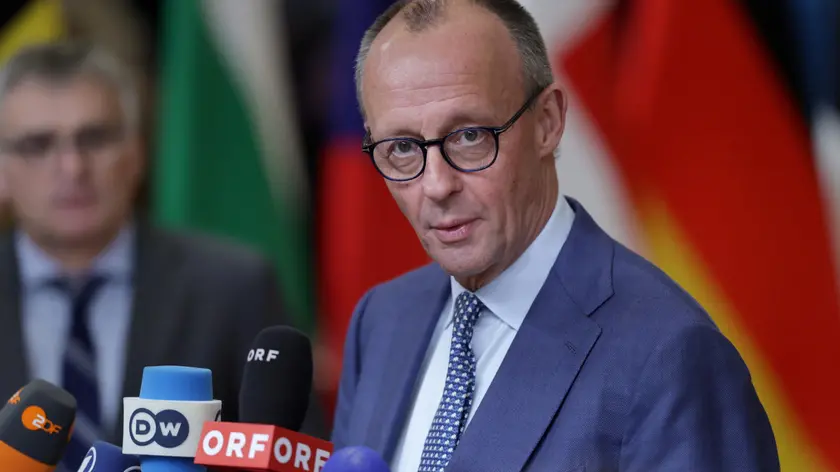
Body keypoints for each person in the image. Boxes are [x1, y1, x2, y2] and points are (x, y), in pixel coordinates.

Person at [331, 1, 779, 471]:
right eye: (402, 147)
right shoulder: (381, 320)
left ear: (548, 121)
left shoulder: (671, 356)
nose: (437, 185)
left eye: (469, 136)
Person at [0, 42, 324, 471]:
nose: (73, 167)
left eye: (94, 138)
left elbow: (295, 451)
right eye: (38, 144)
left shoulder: (233, 285)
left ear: (137, 153)